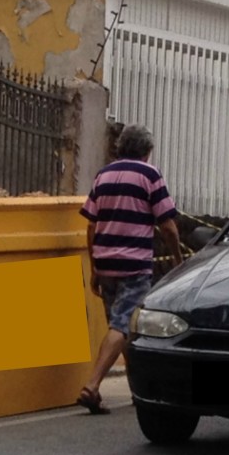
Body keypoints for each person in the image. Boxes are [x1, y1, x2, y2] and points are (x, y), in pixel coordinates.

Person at [77, 125, 183, 414]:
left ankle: (139, 389)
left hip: (106, 263)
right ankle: (92, 385)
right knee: (122, 326)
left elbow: (91, 224)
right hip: (134, 264)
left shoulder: (104, 174)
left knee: (123, 328)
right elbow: (168, 227)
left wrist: (95, 266)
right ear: (147, 150)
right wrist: (177, 260)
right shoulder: (150, 175)